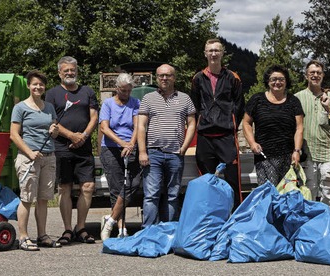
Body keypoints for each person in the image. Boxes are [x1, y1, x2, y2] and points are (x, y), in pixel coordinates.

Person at [45, 56, 99, 244]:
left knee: (88, 187)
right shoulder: (52, 93)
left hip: (84, 148)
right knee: (64, 187)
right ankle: (67, 230)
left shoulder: (87, 92)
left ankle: (81, 227)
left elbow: (94, 117)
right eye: (66, 70)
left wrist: (82, 136)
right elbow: (52, 121)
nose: (70, 73)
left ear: (77, 71)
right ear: (59, 73)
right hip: (61, 147)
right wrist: (71, 136)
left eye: (73, 70)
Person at [137, 64, 196, 228]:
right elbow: (141, 126)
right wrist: (142, 151)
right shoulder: (148, 98)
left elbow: (192, 124)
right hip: (153, 153)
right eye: (161, 75)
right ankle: (148, 231)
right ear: (156, 78)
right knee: (151, 195)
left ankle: (169, 231)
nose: (164, 78)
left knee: (172, 195)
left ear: (174, 77)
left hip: (175, 154)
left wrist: (184, 148)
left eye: (168, 75)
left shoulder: (185, 98)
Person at [191, 38, 245, 209]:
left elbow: (239, 105)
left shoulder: (232, 78)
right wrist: (205, 119)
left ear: (222, 53)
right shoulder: (198, 79)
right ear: (205, 54)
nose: (213, 53)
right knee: (206, 181)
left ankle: (236, 218)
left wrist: (229, 121)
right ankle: (209, 218)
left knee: (232, 181)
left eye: (217, 50)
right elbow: (195, 105)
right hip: (205, 136)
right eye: (210, 50)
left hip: (226, 136)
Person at [10, 70, 60, 250]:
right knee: (26, 198)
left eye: (41, 84)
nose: (38, 87)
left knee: (43, 199)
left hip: (49, 156)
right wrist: (30, 152)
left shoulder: (49, 107)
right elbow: (14, 135)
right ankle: (23, 237)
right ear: (29, 86)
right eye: (35, 84)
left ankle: (42, 235)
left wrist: (54, 131)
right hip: (28, 158)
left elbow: (54, 130)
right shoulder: (20, 108)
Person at [242, 64, 304, 185]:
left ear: (286, 82)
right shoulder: (257, 100)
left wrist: (297, 151)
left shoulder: (293, 101)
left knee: (287, 194)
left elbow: (299, 128)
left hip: (288, 157)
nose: (277, 82)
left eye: (281, 79)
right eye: (273, 79)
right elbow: (246, 123)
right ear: (268, 81)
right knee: (268, 194)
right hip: (264, 156)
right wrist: (252, 143)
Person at [98, 73, 142, 240]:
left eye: (129, 91)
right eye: (123, 90)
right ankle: (120, 226)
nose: (126, 94)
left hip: (130, 147)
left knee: (133, 183)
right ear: (117, 88)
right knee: (116, 188)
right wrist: (122, 143)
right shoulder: (108, 104)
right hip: (111, 148)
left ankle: (110, 220)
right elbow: (104, 128)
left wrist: (130, 144)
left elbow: (137, 126)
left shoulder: (135, 103)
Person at [294, 60, 330, 213]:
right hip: (307, 154)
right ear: (306, 75)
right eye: (312, 72)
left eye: (318, 73)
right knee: (308, 191)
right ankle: (309, 226)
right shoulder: (297, 98)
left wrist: (328, 108)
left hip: (327, 153)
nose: (315, 75)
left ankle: (328, 225)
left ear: (323, 76)